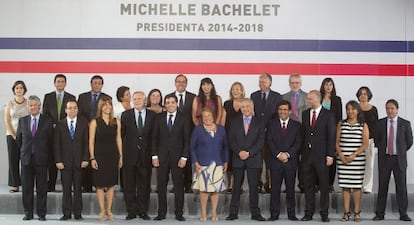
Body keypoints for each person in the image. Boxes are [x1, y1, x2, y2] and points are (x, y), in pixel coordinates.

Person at [152, 93, 190, 221]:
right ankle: (161, 213)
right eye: (167, 103)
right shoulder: (159, 118)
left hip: (178, 158)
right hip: (161, 158)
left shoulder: (184, 118)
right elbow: (154, 138)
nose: (170, 105)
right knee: (161, 186)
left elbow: (187, 140)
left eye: (172, 102)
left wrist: (184, 157)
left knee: (179, 186)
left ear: (176, 104)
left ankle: (179, 213)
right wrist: (154, 156)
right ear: (165, 104)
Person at [226, 98, 265, 221]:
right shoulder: (233, 121)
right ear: (240, 108)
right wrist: (239, 152)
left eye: (248, 106)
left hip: (253, 158)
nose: (245, 109)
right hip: (238, 158)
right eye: (243, 107)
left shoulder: (259, 122)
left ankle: (255, 213)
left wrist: (249, 152)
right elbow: (231, 140)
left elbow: (261, 141)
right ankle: (233, 212)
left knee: (254, 188)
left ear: (252, 107)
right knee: (236, 187)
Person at [373, 99, 413, 222]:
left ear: (397, 109)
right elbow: (377, 140)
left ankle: (403, 213)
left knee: (401, 187)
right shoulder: (380, 123)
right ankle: (380, 213)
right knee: (382, 186)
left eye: (392, 108)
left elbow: (409, 142)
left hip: (398, 159)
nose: (390, 111)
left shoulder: (405, 124)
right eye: (387, 108)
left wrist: (399, 151)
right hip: (385, 159)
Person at [16, 95, 54, 221]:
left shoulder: (47, 120)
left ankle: (41, 213)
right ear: (28, 107)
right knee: (27, 187)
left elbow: (51, 141)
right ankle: (28, 212)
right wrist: (24, 151)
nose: (32, 107)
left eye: (34, 105)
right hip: (27, 159)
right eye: (30, 105)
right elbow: (19, 140)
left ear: (39, 106)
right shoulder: (22, 120)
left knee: (42, 187)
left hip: (42, 159)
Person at [300, 90, 336, 222]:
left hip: (322, 156)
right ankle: (308, 213)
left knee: (324, 186)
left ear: (318, 99)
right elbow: (303, 135)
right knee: (308, 186)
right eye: (307, 99)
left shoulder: (328, 115)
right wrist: (301, 153)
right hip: (307, 156)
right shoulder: (304, 114)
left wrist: (330, 154)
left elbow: (331, 136)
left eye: (310, 99)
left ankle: (324, 213)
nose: (307, 101)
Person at [122, 91, 156, 221]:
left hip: (146, 155)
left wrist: (154, 155)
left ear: (145, 100)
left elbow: (154, 137)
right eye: (134, 99)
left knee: (144, 185)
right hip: (129, 155)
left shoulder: (153, 116)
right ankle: (131, 211)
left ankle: (143, 211)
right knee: (129, 184)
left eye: (139, 99)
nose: (137, 101)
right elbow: (122, 135)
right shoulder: (126, 115)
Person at [191, 108, 229, 222]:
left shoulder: (221, 129)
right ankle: (203, 212)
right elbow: (192, 147)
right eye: (204, 116)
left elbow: (226, 146)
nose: (207, 118)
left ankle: (214, 212)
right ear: (202, 119)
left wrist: (226, 161)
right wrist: (195, 162)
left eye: (209, 116)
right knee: (204, 190)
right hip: (202, 164)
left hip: (218, 163)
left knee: (215, 189)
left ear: (214, 116)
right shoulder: (198, 130)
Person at [266, 100, 301, 221]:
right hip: (275, 161)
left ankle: (291, 214)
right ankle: (274, 214)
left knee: (290, 189)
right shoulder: (271, 124)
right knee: (275, 189)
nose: (283, 111)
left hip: (290, 162)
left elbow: (298, 143)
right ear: (278, 111)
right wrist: (278, 154)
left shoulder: (297, 125)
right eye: (280, 109)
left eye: (285, 109)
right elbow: (269, 141)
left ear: (290, 111)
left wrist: (287, 154)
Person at [54, 100, 89, 221]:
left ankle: (78, 213)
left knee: (78, 189)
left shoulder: (84, 124)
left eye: (74, 108)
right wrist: (58, 160)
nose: (72, 110)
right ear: (65, 110)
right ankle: (67, 213)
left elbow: (86, 143)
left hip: (80, 162)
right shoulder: (60, 124)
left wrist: (86, 158)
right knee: (66, 189)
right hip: (65, 163)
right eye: (70, 108)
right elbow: (56, 144)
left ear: (78, 110)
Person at [89, 96, 122, 221]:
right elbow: (91, 141)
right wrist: (92, 158)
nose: (108, 107)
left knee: (111, 184)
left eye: (110, 104)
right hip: (99, 156)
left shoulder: (116, 121)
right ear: (100, 106)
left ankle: (109, 210)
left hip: (113, 155)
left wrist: (121, 156)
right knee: (100, 185)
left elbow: (118, 139)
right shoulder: (94, 122)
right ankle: (102, 211)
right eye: (105, 105)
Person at [336, 100, 369, 222]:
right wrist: (341, 155)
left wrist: (354, 154)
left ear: (358, 110)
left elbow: (365, 143)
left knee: (356, 187)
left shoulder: (363, 125)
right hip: (343, 160)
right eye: (348, 109)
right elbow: (336, 142)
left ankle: (356, 212)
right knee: (345, 186)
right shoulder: (341, 123)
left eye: (353, 109)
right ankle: (346, 212)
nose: (350, 111)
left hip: (357, 160)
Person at [77, 75, 111, 193]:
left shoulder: (107, 97)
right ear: (91, 84)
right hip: (85, 130)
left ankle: (100, 184)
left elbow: (107, 114)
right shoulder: (82, 97)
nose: (97, 85)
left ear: (102, 85)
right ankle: (86, 185)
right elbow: (79, 114)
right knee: (87, 155)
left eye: (99, 83)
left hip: (101, 132)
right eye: (95, 83)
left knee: (100, 157)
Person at [43, 74, 76, 192]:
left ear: (65, 83)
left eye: (62, 81)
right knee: (53, 158)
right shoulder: (48, 97)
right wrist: (50, 125)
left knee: (67, 158)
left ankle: (67, 185)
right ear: (54, 83)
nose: (60, 83)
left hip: (66, 132)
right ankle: (51, 184)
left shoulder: (71, 97)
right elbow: (45, 114)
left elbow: (72, 114)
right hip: (51, 132)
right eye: (58, 81)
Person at [250, 73, 282, 193]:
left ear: (270, 83)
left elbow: (278, 116)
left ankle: (269, 183)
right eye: (260, 81)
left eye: (263, 81)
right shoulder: (254, 95)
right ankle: (258, 183)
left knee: (270, 161)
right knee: (257, 160)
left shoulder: (277, 97)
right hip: (257, 135)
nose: (261, 84)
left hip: (271, 134)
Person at [168, 74, 196, 193]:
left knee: (187, 159)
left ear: (186, 83)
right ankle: (177, 185)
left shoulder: (193, 97)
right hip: (174, 134)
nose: (181, 83)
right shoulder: (169, 97)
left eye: (183, 81)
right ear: (175, 83)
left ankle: (188, 185)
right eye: (178, 81)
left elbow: (195, 115)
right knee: (175, 161)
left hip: (189, 132)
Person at [282, 73, 308, 193]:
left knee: (303, 160)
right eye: (292, 83)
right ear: (289, 83)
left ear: (301, 83)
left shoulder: (308, 97)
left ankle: (302, 184)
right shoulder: (283, 97)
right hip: (287, 132)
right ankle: (289, 186)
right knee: (290, 158)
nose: (295, 85)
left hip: (303, 131)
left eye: (297, 82)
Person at [4, 80, 29, 193]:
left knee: (25, 160)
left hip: (26, 136)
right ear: (14, 90)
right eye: (17, 88)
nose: (19, 90)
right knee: (13, 160)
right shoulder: (9, 103)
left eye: (21, 88)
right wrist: (14, 135)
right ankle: (15, 184)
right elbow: (7, 120)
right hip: (11, 135)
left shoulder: (29, 103)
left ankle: (26, 183)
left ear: (24, 90)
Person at [320, 77, 342, 193]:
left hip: (332, 132)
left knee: (331, 157)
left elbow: (339, 118)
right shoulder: (318, 98)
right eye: (326, 84)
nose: (328, 87)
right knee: (320, 158)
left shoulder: (337, 100)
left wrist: (337, 133)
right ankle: (319, 183)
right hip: (320, 132)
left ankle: (330, 184)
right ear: (323, 86)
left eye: (330, 85)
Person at [222, 82, 244, 192]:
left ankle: (237, 184)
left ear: (241, 91)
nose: (235, 91)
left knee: (239, 162)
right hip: (228, 136)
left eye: (237, 89)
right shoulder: (227, 103)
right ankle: (230, 184)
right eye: (233, 89)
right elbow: (223, 120)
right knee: (229, 161)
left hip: (241, 138)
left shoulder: (246, 103)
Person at [356, 86, 378, 193]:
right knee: (357, 165)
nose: (363, 96)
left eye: (365, 93)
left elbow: (376, 125)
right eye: (361, 94)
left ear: (368, 95)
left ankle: (367, 187)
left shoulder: (373, 109)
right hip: (356, 140)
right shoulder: (355, 108)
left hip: (370, 141)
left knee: (369, 165)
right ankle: (356, 185)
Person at [113, 85, 131, 193]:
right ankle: (123, 185)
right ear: (121, 97)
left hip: (132, 137)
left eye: (129, 93)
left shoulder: (134, 105)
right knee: (122, 160)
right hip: (120, 136)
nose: (129, 96)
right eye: (127, 94)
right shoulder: (116, 108)